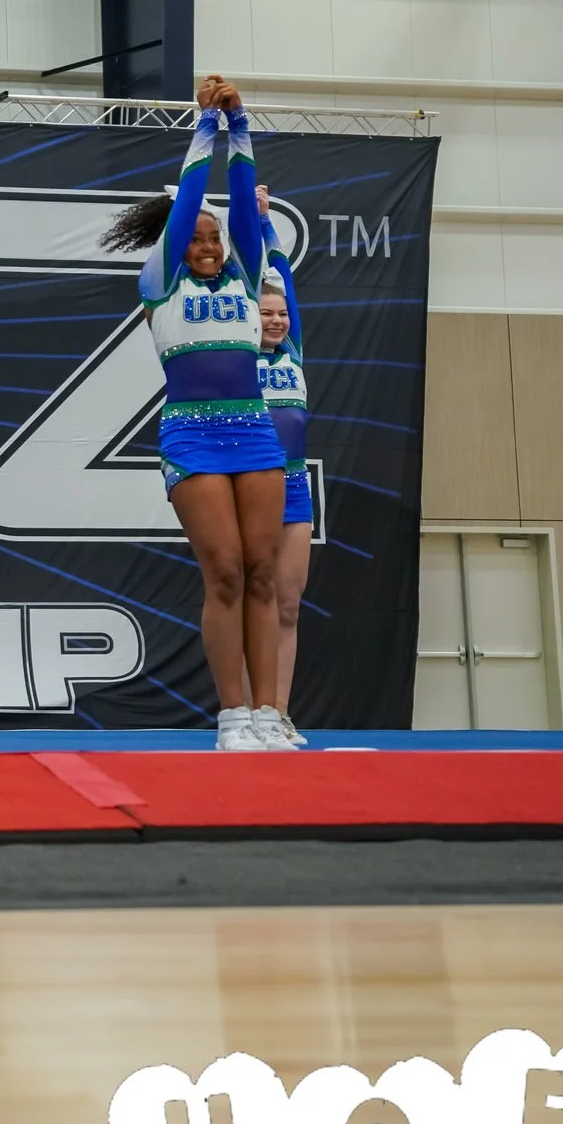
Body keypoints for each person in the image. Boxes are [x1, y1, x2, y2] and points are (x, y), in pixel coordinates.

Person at [97, 78, 295, 752]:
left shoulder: (246, 275)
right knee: (226, 571)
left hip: (255, 431)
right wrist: (204, 127)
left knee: (262, 572)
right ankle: (231, 715)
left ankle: (268, 713)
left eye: (217, 238)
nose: (210, 245)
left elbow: (240, 201)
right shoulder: (160, 284)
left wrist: (240, 126)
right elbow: (187, 205)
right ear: (177, 245)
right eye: (199, 238)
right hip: (192, 434)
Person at [256, 188, 312, 745]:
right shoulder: (235, 359)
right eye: (265, 314)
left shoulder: (292, 353)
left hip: (296, 487)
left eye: (280, 316)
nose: (275, 321)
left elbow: (284, 282)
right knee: (254, 600)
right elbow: (253, 279)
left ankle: (279, 711)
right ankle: (250, 709)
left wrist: (268, 224)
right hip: (253, 485)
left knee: (288, 606)